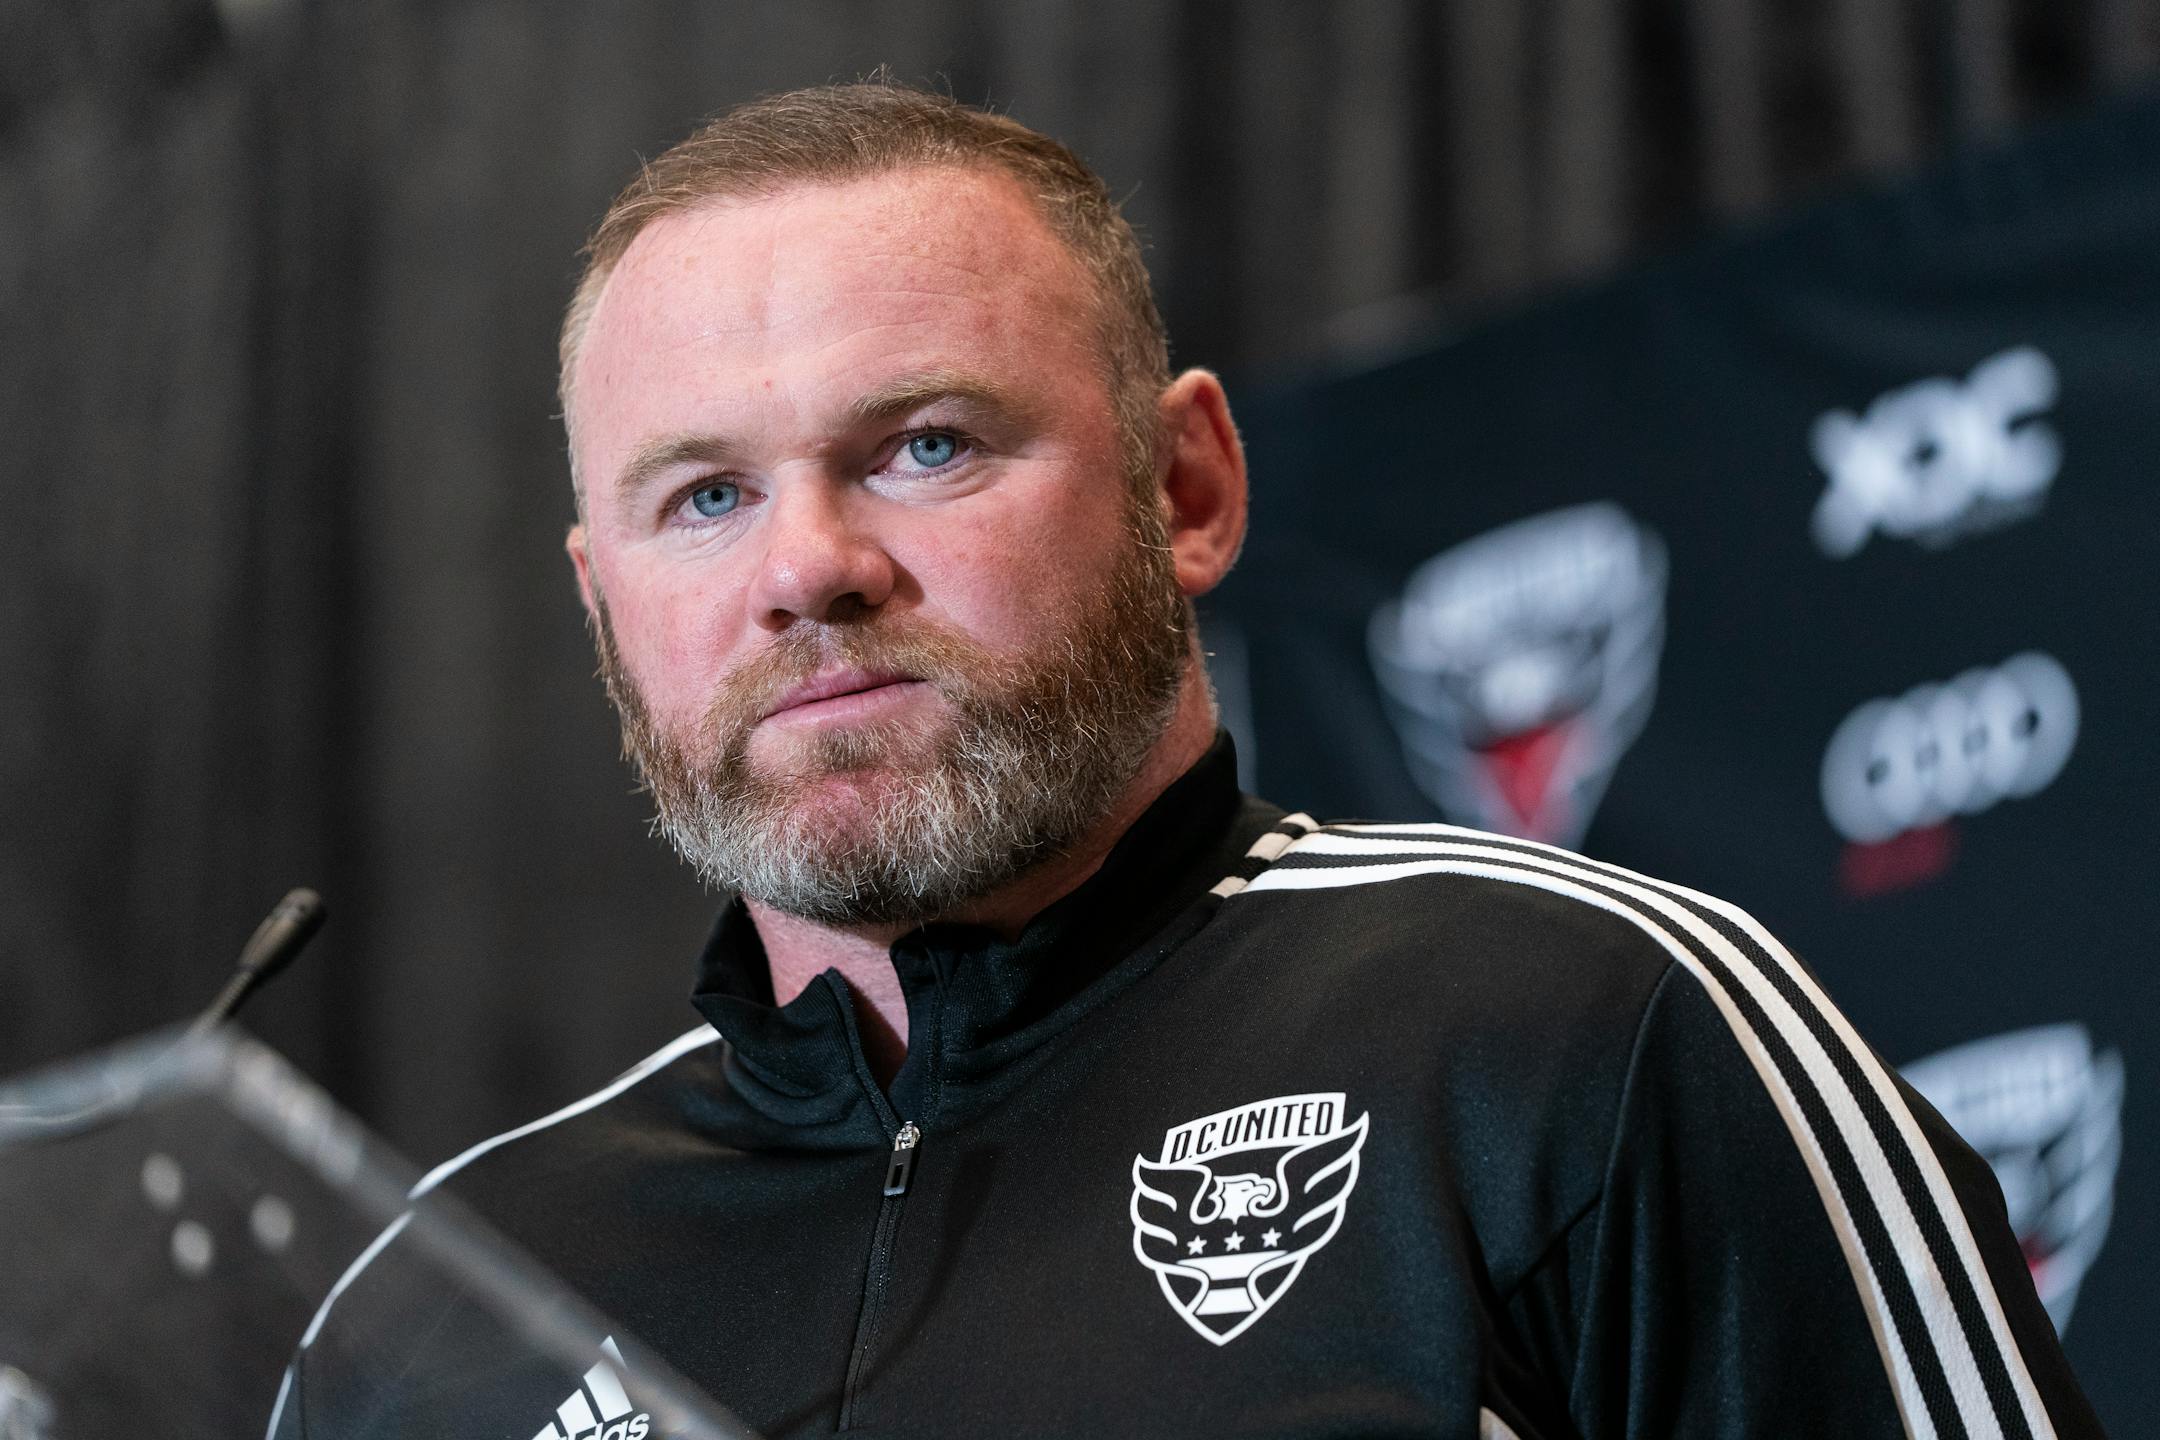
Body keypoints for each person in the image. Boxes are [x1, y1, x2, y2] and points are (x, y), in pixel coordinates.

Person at [273, 81, 2104, 1439]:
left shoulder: (1582, 1033)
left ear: (1187, 489)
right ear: (606, 611)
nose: (806, 568)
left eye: (923, 445)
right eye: (706, 496)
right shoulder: (445, 1305)